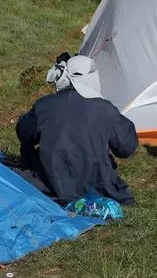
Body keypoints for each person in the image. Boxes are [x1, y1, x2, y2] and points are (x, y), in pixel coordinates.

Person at [16, 54, 138, 205]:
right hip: (98, 185)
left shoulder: (45, 105)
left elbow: (23, 132)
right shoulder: (105, 109)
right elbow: (126, 147)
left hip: (50, 184)